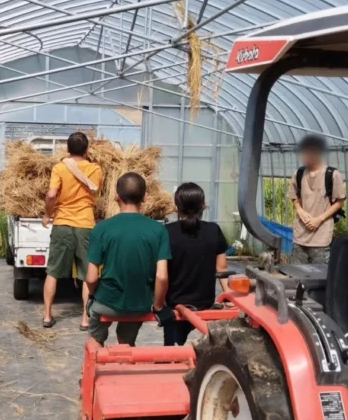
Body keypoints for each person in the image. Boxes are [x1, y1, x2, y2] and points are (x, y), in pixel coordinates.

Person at [85, 173, 170, 346]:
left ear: (116, 196)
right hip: (139, 305)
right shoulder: (159, 230)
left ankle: (95, 358)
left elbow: (91, 278)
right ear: (145, 197)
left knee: (95, 337)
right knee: (127, 342)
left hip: (106, 302)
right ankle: (125, 358)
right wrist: (158, 306)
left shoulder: (101, 229)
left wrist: (93, 296)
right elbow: (162, 277)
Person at [42, 132, 102, 329]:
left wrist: (47, 214)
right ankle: (85, 319)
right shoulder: (96, 170)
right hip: (86, 224)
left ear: (67, 149)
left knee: (53, 272)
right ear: (87, 150)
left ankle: (48, 316)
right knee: (87, 274)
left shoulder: (60, 167)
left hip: (63, 224)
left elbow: (51, 194)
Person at [163, 183, 229, 346]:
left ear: (176, 207)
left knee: (172, 343)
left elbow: (162, 273)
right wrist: (228, 295)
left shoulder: (166, 232)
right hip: (204, 301)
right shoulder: (214, 230)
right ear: (203, 206)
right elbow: (221, 269)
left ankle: (170, 355)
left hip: (174, 302)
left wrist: (159, 302)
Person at [288, 134, 346, 265]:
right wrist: (300, 211)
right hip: (300, 237)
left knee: (320, 277)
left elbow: (340, 202)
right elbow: (293, 196)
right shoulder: (299, 174)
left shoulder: (332, 175)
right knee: (297, 276)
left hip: (321, 237)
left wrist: (318, 219)